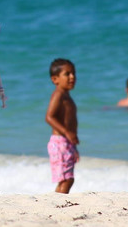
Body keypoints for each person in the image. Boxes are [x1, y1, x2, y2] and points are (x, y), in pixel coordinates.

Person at [45, 58, 79, 194]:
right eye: (67, 74)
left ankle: (56, 201)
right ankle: (59, 204)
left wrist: (72, 140)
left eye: (74, 73)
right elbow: (49, 117)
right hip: (60, 142)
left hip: (66, 142)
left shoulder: (66, 95)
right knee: (67, 179)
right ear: (55, 79)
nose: (72, 77)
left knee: (65, 179)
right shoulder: (58, 94)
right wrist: (67, 132)